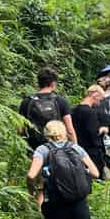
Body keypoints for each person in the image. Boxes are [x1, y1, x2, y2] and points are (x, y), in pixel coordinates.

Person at [27, 121, 100, 219]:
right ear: (64, 132)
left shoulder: (42, 150)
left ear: (46, 134)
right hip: (78, 202)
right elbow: (95, 173)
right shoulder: (76, 148)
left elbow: (31, 175)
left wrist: (32, 189)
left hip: (55, 202)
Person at [19, 67, 77, 205]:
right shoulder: (60, 101)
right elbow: (69, 128)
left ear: (38, 82)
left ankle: (36, 209)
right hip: (57, 148)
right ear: (53, 84)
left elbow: (21, 129)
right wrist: (75, 146)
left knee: (37, 180)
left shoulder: (27, 102)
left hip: (34, 148)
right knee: (55, 180)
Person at [71, 85, 110, 179]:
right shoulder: (90, 112)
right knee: (96, 178)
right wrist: (102, 130)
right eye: (100, 99)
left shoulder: (74, 110)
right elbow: (93, 133)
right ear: (95, 95)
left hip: (78, 148)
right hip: (91, 152)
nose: (99, 102)